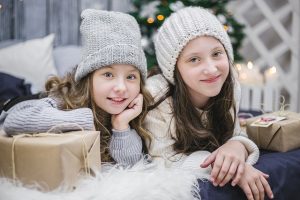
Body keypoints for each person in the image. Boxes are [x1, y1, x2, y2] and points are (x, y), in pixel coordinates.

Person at [144, 7, 273, 200]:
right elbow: (164, 160)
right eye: (194, 59)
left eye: (216, 54)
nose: (211, 69)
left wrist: (236, 146)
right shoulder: (156, 97)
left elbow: (236, 131)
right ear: (174, 68)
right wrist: (231, 167)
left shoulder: (229, 86)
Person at [1, 9, 153, 167]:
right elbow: (13, 121)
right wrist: (84, 119)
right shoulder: (65, 99)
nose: (121, 87)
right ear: (89, 78)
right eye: (108, 74)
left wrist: (121, 125)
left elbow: (133, 167)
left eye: (131, 77)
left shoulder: (135, 110)